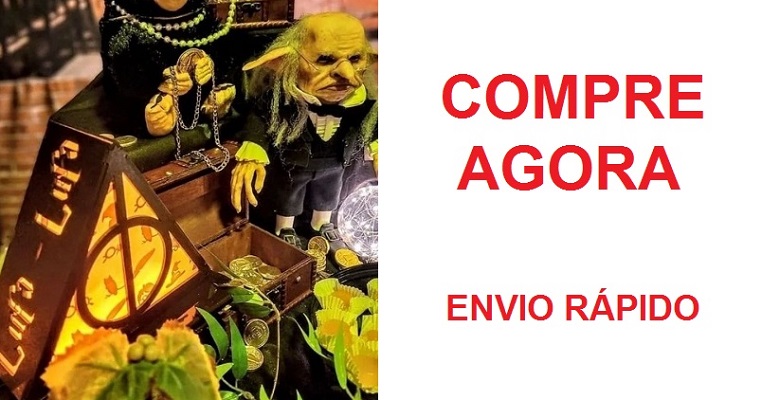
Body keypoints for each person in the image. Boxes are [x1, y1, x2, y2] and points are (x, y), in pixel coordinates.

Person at [230, 11, 378, 248]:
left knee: (329, 195)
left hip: (335, 165)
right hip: (296, 165)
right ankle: (285, 228)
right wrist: (253, 151)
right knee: (289, 196)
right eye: (325, 60)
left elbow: (372, 124)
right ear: (283, 62)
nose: (347, 75)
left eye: (355, 59)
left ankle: (322, 225)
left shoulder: (362, 102)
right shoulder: (281, 101)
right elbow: (259, 118)